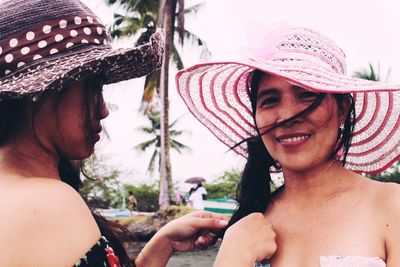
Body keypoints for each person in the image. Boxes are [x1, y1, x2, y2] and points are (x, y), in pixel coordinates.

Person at [0, 1, 277, 266]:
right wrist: (235, 256)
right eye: (93, 86)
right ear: (40, 91)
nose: (104, 108)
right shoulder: (46, 202)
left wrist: (163, 243)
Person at [176, 24, 400, 266]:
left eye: (306, 94)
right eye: (270, 100)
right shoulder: (248, 224)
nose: (287, 115)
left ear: (343, 108)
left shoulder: (391, 206)